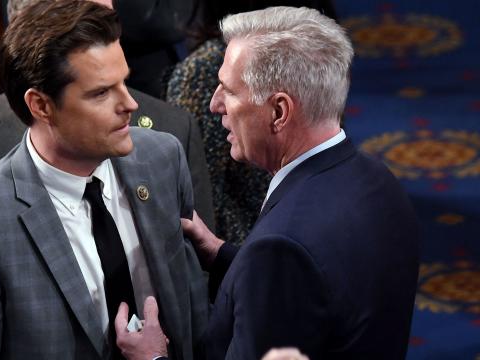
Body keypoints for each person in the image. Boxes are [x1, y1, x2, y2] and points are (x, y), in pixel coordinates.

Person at [116, 6, 420, 360]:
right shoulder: (380, 182)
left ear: (278, 112)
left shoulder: (282, 247)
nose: (215, 105)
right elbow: (322, 288)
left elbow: (294, 259)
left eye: (229, 91)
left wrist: (153, 358)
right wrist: (222, 256)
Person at [0, 0, 215, 347]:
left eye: (124, 82)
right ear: (40, 105)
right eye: (101, 92)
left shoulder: (163, 159)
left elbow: (195, 321)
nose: (130, 104)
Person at [166, 0, 337, 243]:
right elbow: (200, 201)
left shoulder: (316, 52)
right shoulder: (201, 73)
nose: (216, 104)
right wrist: (247, 252)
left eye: (228, 91)